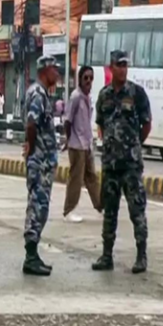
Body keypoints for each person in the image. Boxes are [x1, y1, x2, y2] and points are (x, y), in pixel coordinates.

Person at [92, 50, 151, 274]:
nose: (123, 69)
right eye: (119, 65)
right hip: (111, 165)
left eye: (125, 65)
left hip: (131, 166)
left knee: (137, 211)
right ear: (111, 67)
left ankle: (141, 256)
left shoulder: (137, 93)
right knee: (110, 211)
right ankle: (107, 256)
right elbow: (101, 124)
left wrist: (133, 145)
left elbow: (146, 125)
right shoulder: (104, 95)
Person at [22, 55, 61, 276]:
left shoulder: (42, 94)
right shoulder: (37, 94)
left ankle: (33, 254)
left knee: (40, 206)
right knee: (38, 206)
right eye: (54, 69)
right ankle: (30, 255)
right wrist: (33, 148)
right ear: (44, 70)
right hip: (40, 161)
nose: (57, 73)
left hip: (42, 160)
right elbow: (31, 124)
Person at [62, 65, 102, 224]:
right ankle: (69, 209)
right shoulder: (76, 97)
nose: (88, 81)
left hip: (86, 143)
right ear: (80, 79)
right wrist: (68, 140)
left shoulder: (88, 97)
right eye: (85, 78)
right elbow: (68, 121)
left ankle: (100, 206)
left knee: (92, 176)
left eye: (91, 78)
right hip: (76, 144)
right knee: (76, 179)